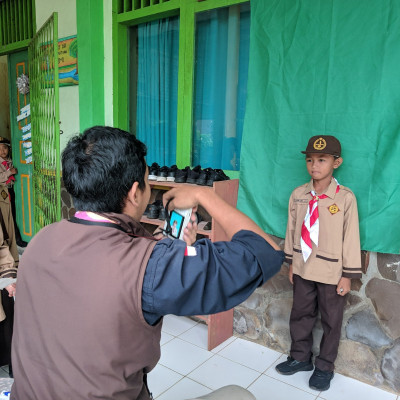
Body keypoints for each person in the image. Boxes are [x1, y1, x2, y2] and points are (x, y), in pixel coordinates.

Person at [11, 126, 284, 400]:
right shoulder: (153, 267)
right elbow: (265, 252)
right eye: (146, 181)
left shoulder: (41, 241)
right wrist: (205, 196)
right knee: (239, 395)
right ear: (134, 193)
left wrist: (169, 247)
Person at [276, 135, 362, 391]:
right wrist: (291, 262)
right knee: (300, 313)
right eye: (310, 160)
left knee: (331, 320)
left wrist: (347, 274)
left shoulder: (344, 198)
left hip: (332, 271)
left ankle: (325, 367)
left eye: (322, 160)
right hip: (303, 267)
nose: (315, 165)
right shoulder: (299, 195)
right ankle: (300, 357)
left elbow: (351, 237)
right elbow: (292, 230)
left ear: (337, 162)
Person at [0, 178, 19, 379]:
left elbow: (7, 236)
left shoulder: (2, 189)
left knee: (9, 323)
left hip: (6, 268)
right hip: (5, 270)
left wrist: (9, 274)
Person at [0, 137, 27, 248]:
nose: (2, 151)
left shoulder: (12, 159)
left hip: (12, 189)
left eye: (5, 148)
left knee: (16, 214)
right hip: (3, 192)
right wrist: (9, 172)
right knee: (9, 216)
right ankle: (16, 240)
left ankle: (17, 238)